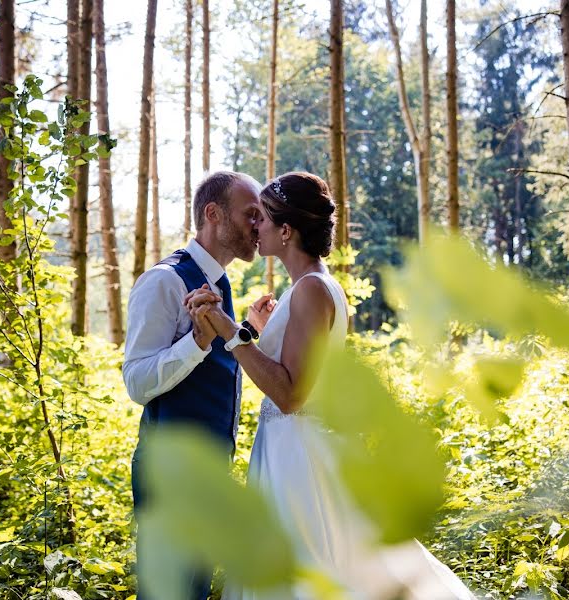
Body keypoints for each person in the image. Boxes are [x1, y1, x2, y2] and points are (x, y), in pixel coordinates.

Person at [186, 171, 477, 600]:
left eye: (263, 219)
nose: (255, 227)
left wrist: (231, 332)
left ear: (286, 231)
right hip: (290, 450)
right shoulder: (308, 288)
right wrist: (253, 329)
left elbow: (289, 394)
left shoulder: (311, 290)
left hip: (300, 458)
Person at [123, 170, 262, 600]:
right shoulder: (164, 281)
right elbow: (137, 381)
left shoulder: (222, 285)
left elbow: (212, 365)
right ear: (213, 214)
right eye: (250, 215)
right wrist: (199, 340)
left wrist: (246, 331)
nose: (259, 225)